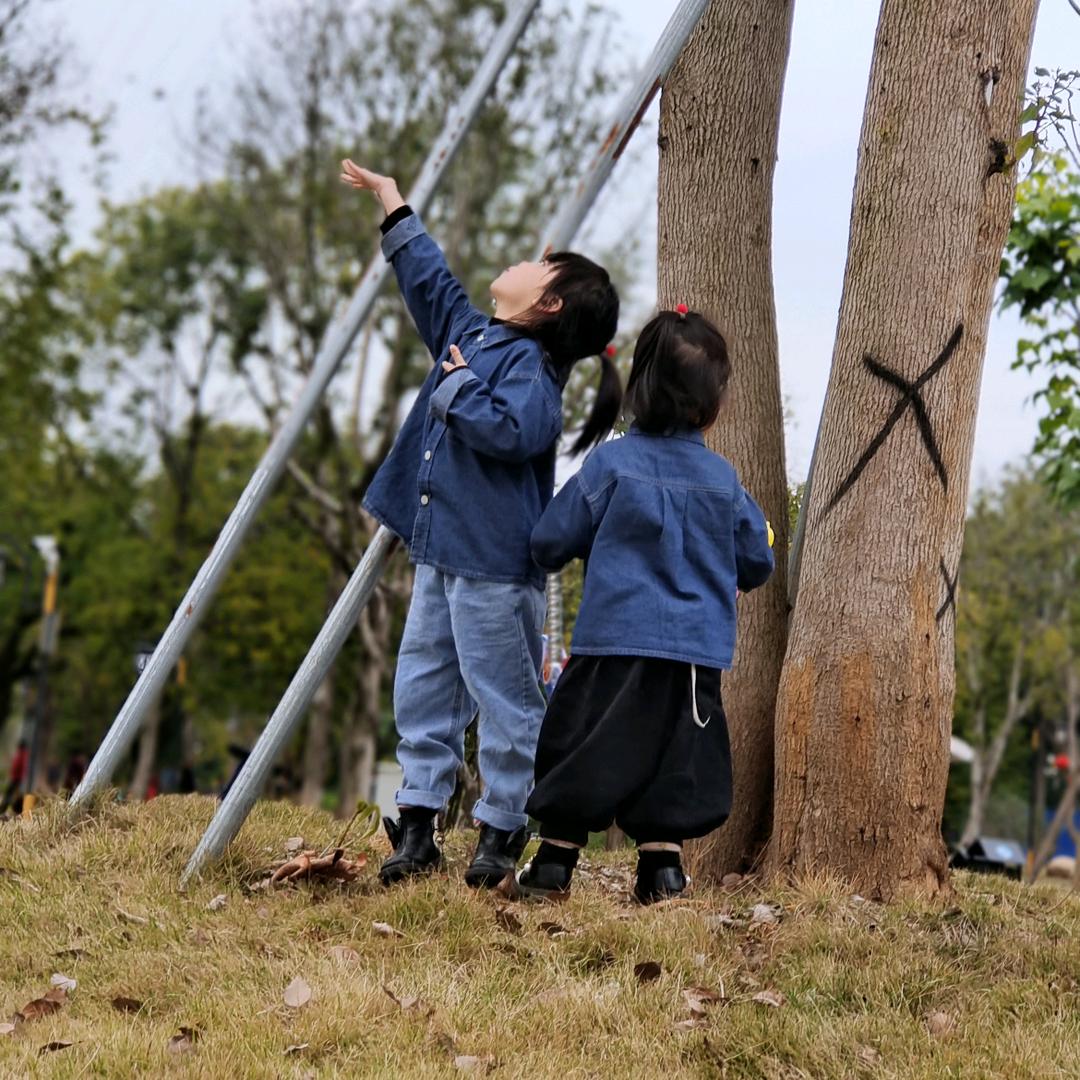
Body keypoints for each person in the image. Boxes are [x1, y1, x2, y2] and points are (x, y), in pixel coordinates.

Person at [339, 160, 620, 888]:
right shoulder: (473, 331)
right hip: (438, 555)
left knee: (504, 698)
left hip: (495, 566)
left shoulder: (529, 367)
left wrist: (456, 385)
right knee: (422, 686)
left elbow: (515, 432)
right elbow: (429, 283)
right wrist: (393, 205)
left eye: (539, 264)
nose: (522, 259)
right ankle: (418, 823)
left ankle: (502, 826)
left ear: (549, 304)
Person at [517, 307, 775, 904]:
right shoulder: (723, 480)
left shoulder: (610, 465)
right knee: (677, 759)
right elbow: (758, 560)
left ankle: (554, 864)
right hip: (692, 656)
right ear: (711, 403)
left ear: (641, 388)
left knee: (582, 743)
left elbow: (549, 541)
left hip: (611, 643)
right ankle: (661, 872)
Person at [1, 739, 29, 814]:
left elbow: (18, 766)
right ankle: (4, 808)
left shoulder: (22, 755)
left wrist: (14, 774)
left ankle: (4, 808)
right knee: (10, 794)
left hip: (17, 778)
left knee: (10, 794)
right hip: (17, 778)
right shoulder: (22, 754)